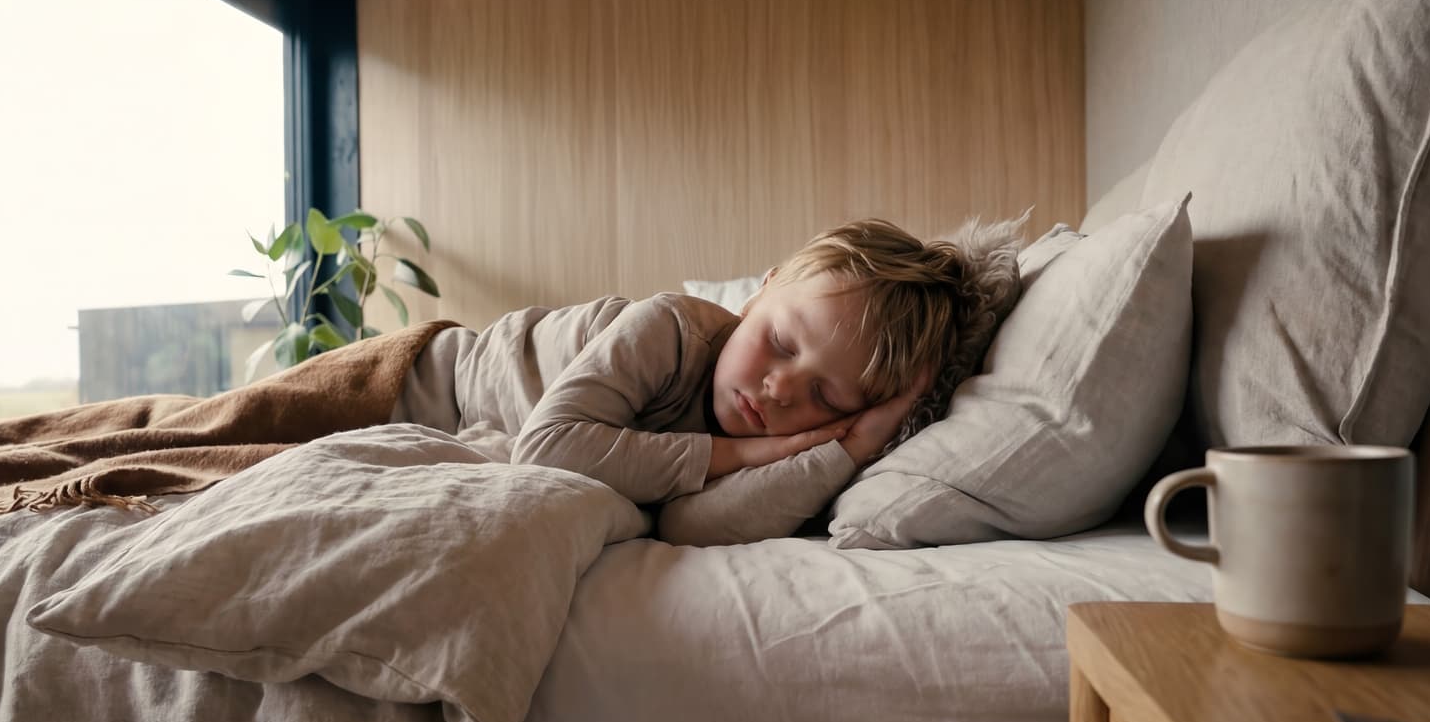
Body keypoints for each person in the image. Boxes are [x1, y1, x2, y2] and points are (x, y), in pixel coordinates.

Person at [390, 218, 995, 546]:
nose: (782, 389)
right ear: (764, 288)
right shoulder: (672, 328)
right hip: (431, 378)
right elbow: (549, 446)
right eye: (781, 343)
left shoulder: (801, 441)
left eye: (827, 396)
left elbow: (690, 529)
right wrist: (743, 452)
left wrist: (852, 448)